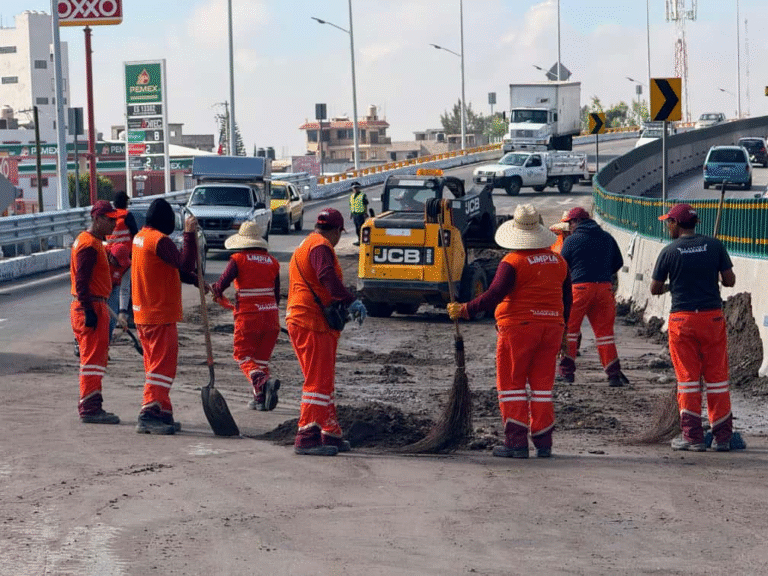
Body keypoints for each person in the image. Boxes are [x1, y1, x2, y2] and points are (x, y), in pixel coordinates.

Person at [448, 204, 572, 458]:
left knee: (512, 384)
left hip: (518, 329)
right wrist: (564, 332)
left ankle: (516, 442)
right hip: (552, 328)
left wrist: (464, 310)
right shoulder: (559, 261)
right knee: (541, 387)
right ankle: (543, 441)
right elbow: (567, 300)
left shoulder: (512, 262)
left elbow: (493, 295)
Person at [650, 203, 736, 452]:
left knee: (688, 380)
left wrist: (673, 285)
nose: (668, 226)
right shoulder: (714, 245)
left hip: (683, 320)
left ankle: (692, 437)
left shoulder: (669, 251)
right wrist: (712, 273)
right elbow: (729, 281)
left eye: (669, 222)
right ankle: (722, 437)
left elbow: (655, 289)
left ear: (676, 224)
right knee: (717, 379)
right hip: (712, 319)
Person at [286, 208, 367, 456]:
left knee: (323, 380)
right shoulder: (321, 247)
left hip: (308, 319)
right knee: (317, 382)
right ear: (335, 231)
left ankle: (329, 431)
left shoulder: (308, 243)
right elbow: (326, 277)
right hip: (310, 321)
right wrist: (349, 299)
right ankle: (306, 435)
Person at [131, 198, 202, 435]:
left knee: (154, 366)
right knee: (163, 368)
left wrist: (197, 281)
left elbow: (174, 270)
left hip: (145, 314)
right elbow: (184, 263)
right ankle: (149, 411)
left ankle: (162, 409)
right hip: (159, 314)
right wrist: (190, 235)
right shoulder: (159, 241)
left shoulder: (141, 237)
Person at [211, 221, 281, 411]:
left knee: (242, 356)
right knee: (260, 361)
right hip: (271, 318)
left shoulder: (238, 259)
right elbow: (276, 295)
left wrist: (214, 292)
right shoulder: (273, 262)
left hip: (249, 317)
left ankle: (261, 381)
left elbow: (221, 285)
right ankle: (260, 398)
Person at [557, 207, 629, 387]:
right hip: (604, 289)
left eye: (570, 224)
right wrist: (603, 274)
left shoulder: (572, 240)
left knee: (570, 331)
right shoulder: (607, 237)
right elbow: (618, 262)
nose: (569, 228)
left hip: (579, 288)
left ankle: (567, 373)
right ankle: (613, 374)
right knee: (605, 334)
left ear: (576, 222)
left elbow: (562, 267)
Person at [70, 200, 121, 424]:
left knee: (95, 359)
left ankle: (93, 405)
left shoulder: (92, 243)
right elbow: (81, 281)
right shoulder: (89, 245)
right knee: (92, 360)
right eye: (110, 220)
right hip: (90, 306)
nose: (114, 224)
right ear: (97, 219)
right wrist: (90, 310)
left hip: (94, 304)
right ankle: (90, 408)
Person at [106, 191, 138, 339]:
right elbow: (136, 234)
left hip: (110, 258)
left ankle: (111, 314)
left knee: (110, 288)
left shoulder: (109, 217)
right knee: (124, 288)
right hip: (126, 258)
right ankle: (123, 313)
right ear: (125, 202)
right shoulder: (127, 216)